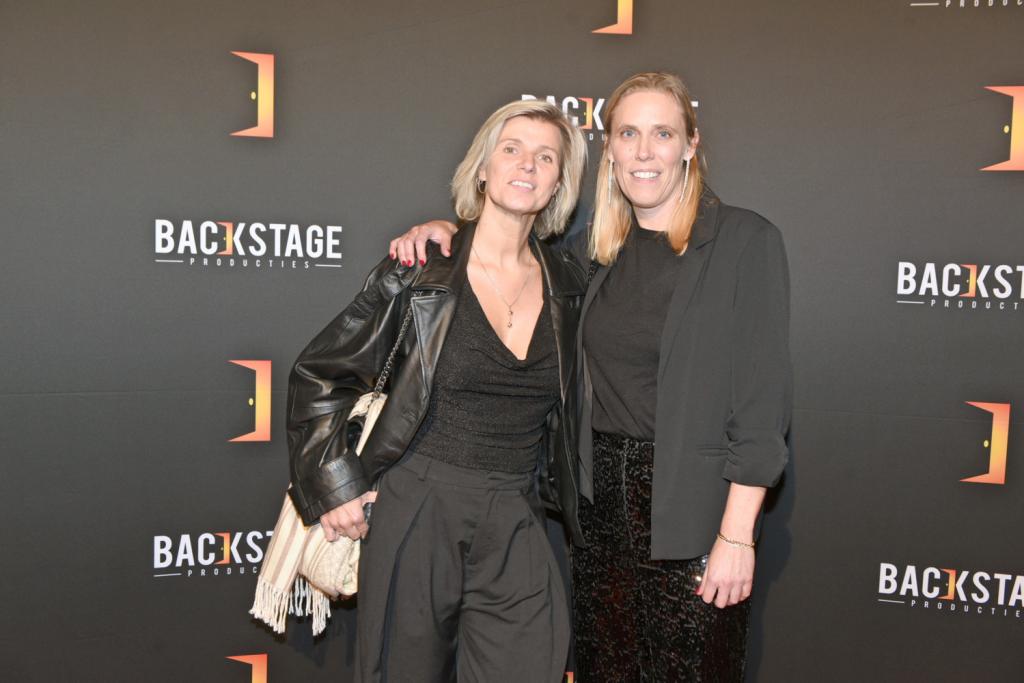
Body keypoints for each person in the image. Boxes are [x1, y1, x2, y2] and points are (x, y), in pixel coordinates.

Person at [387, 72, 792, 681]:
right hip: (597, 516)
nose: (644, 151)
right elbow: (506, 250)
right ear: (611, 148)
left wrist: (737, 536)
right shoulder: (593, 252)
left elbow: (761, 408)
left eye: (663, 133)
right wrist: (446, 232)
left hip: (695, 516)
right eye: (628, 133)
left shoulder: (744, 241)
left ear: (690, 144)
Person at [285, 99, 588, 683]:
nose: (527, 164)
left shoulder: (571, 286)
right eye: (511, 149)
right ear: (483, 169)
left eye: (546, 157)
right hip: (417, 509)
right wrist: (337, 486)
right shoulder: (423, 268)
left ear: (558, 185)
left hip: (518, 516)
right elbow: (320, 373)